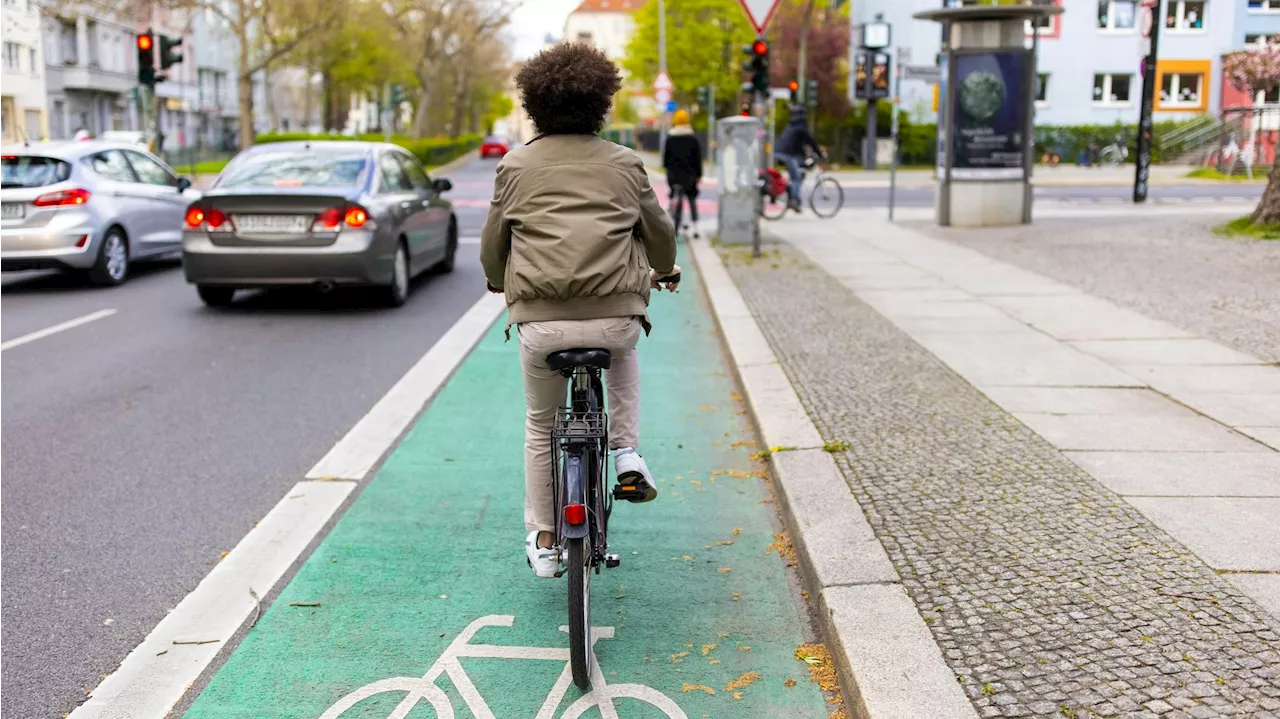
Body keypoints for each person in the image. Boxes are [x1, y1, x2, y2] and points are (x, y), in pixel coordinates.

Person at [480, 42, 680, 579]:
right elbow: (660, 238)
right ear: (602, 103)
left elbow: (493, 245)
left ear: (535, 104)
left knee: (541, 424)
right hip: (615, 317)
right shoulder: (624, 163)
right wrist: (663, 268)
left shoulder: (515, 166)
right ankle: (628, 454)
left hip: (540, 323)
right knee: (622, 350)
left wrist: (499, 282)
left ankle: (546, 538)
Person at [773, 105, 824, 212]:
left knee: (796, 172)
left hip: (779, 152)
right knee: (796, 178)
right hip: (787, 154)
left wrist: (803, 158)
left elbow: (798, 145)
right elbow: (811, 141)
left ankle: (791, 193)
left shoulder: (791, 126)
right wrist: (820, 154)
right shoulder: (801, 127)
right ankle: (794, 200)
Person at [662, 109, 703, 238]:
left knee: (675, 197)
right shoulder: (693, 138)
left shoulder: (670, 138)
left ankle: (676, 227)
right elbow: (698, 159)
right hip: (690, 176)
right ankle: (695, 226)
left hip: (674, 176)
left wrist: (668, 172)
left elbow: (665, 160)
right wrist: (699, 175)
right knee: (691, 199)